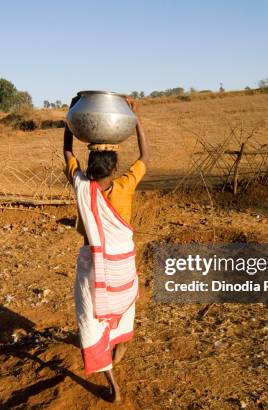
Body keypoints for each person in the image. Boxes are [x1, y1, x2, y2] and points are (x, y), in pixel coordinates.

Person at [63, 96, 149, 402]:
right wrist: (136, 118)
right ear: (114, 170)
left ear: (89, 170)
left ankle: (112, 383)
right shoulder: (124, 186)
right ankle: (120, 340)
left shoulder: (83, 187)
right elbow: (146, 157)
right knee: (123, 307)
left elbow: (67, 151)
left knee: (92, 318)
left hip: (93, 266)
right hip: (122, 264)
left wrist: (70, 115)